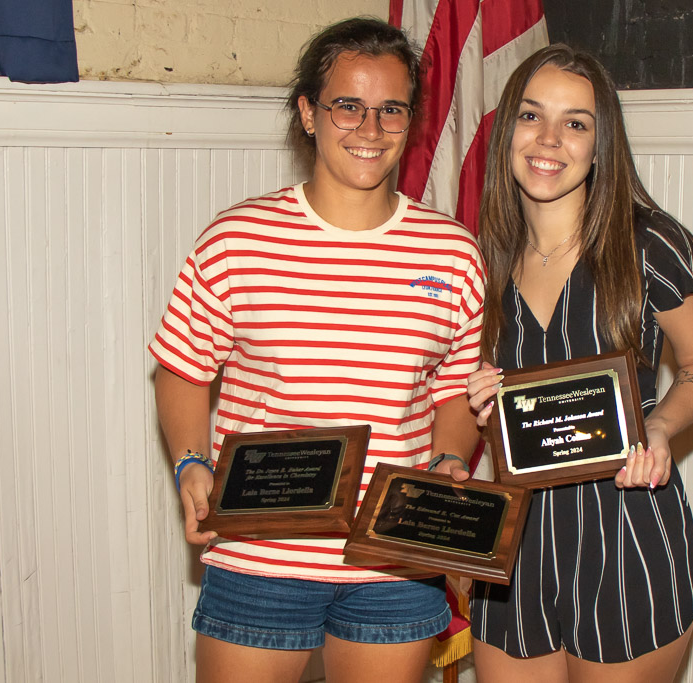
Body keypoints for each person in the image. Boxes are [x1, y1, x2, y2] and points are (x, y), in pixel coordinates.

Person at [150, 17, 484, 683]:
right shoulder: (237, 240)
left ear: (412, 120)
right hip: (260, 554)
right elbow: (182, 368)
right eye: (347, 106)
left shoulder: (451, 251)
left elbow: (454, 388)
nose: (370, 128)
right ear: (308, 113)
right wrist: (191, 461)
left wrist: (450, 456)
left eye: (392, 109)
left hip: (393, 558)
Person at [465, 45, 693, 682]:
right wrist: (483, 406)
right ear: (507, 130)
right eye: (531, 116)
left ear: (600, 142)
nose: (549, 139)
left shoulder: (651, 243)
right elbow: (501, 418)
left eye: (575, 123)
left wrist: (660, 428)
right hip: (518, 547)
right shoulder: (482, 256)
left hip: (626, 526)